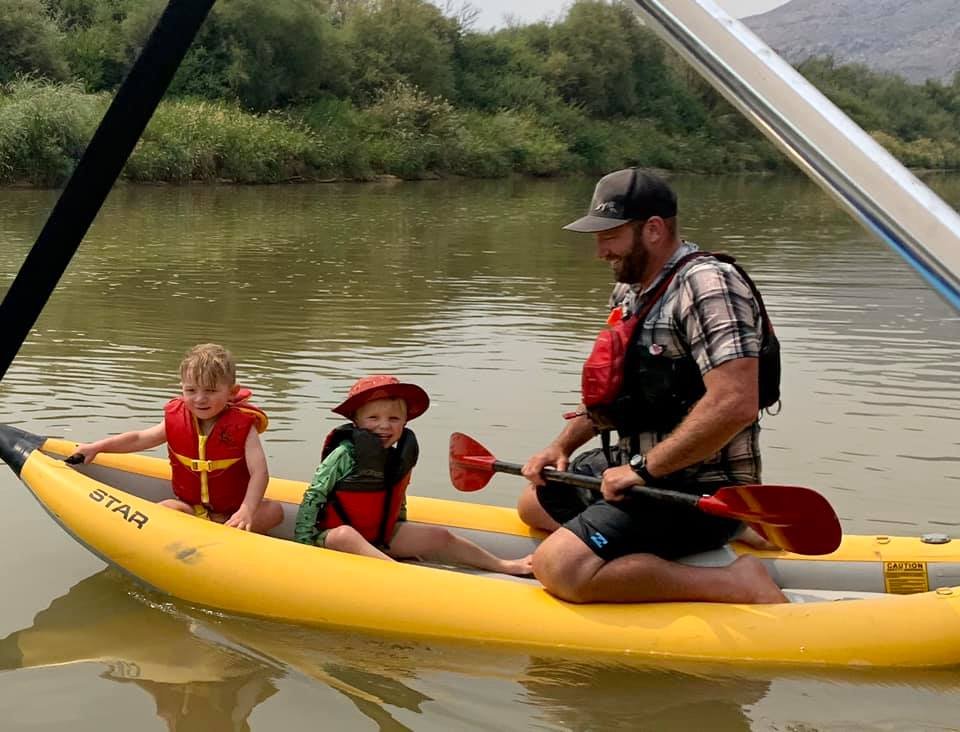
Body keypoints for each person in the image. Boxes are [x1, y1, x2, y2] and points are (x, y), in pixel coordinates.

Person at [517, 168, 786, 604]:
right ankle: (722, 535)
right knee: (533, 503)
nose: (600, 252)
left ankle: (738, 580)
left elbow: (736, 402)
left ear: (654, 230)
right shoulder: (633, 292)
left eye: (610, 237)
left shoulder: (708, 285)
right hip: (641, 468)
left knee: (559, 568)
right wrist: (559, 446)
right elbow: (619, 394)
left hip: (697, 487)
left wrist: (642, 471)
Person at [295, 375, 532, 576]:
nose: (384, 426)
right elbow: (315, 494)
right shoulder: (344, 453)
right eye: (373, 418)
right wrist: (304, 545)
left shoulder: (399, 456)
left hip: (379, 537)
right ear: (356, 422)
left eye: (394, 419)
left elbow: (397, 500)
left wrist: (403, 536)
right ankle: (402, 575)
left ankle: (503, 565)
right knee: (345, 536)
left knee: (440, 536)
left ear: (404, 422)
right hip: (332, 537)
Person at [68, 343, 283, 533]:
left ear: (232, 392)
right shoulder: (178, 419)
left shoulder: (243, 426)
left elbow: (260, 472)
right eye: (191, 390)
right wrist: (96, 447)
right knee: (165, 508)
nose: (200, 399)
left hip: (233, 512)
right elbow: (139, 438)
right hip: (191, 509)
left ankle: (226, 532)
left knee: (274, 511)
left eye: (210, 390)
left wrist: (246, 510)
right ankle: (212, 534)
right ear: (182, 388)